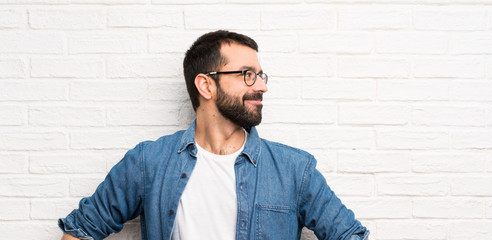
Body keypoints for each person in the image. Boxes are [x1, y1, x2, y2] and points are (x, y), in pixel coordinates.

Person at [59, 30, 369, 240]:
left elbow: (349, 235)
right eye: (247, 75)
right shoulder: (148, 163)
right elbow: (81, 230)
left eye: (260, 75)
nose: (261, 85)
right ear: (206, 85)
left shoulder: (294, 170)